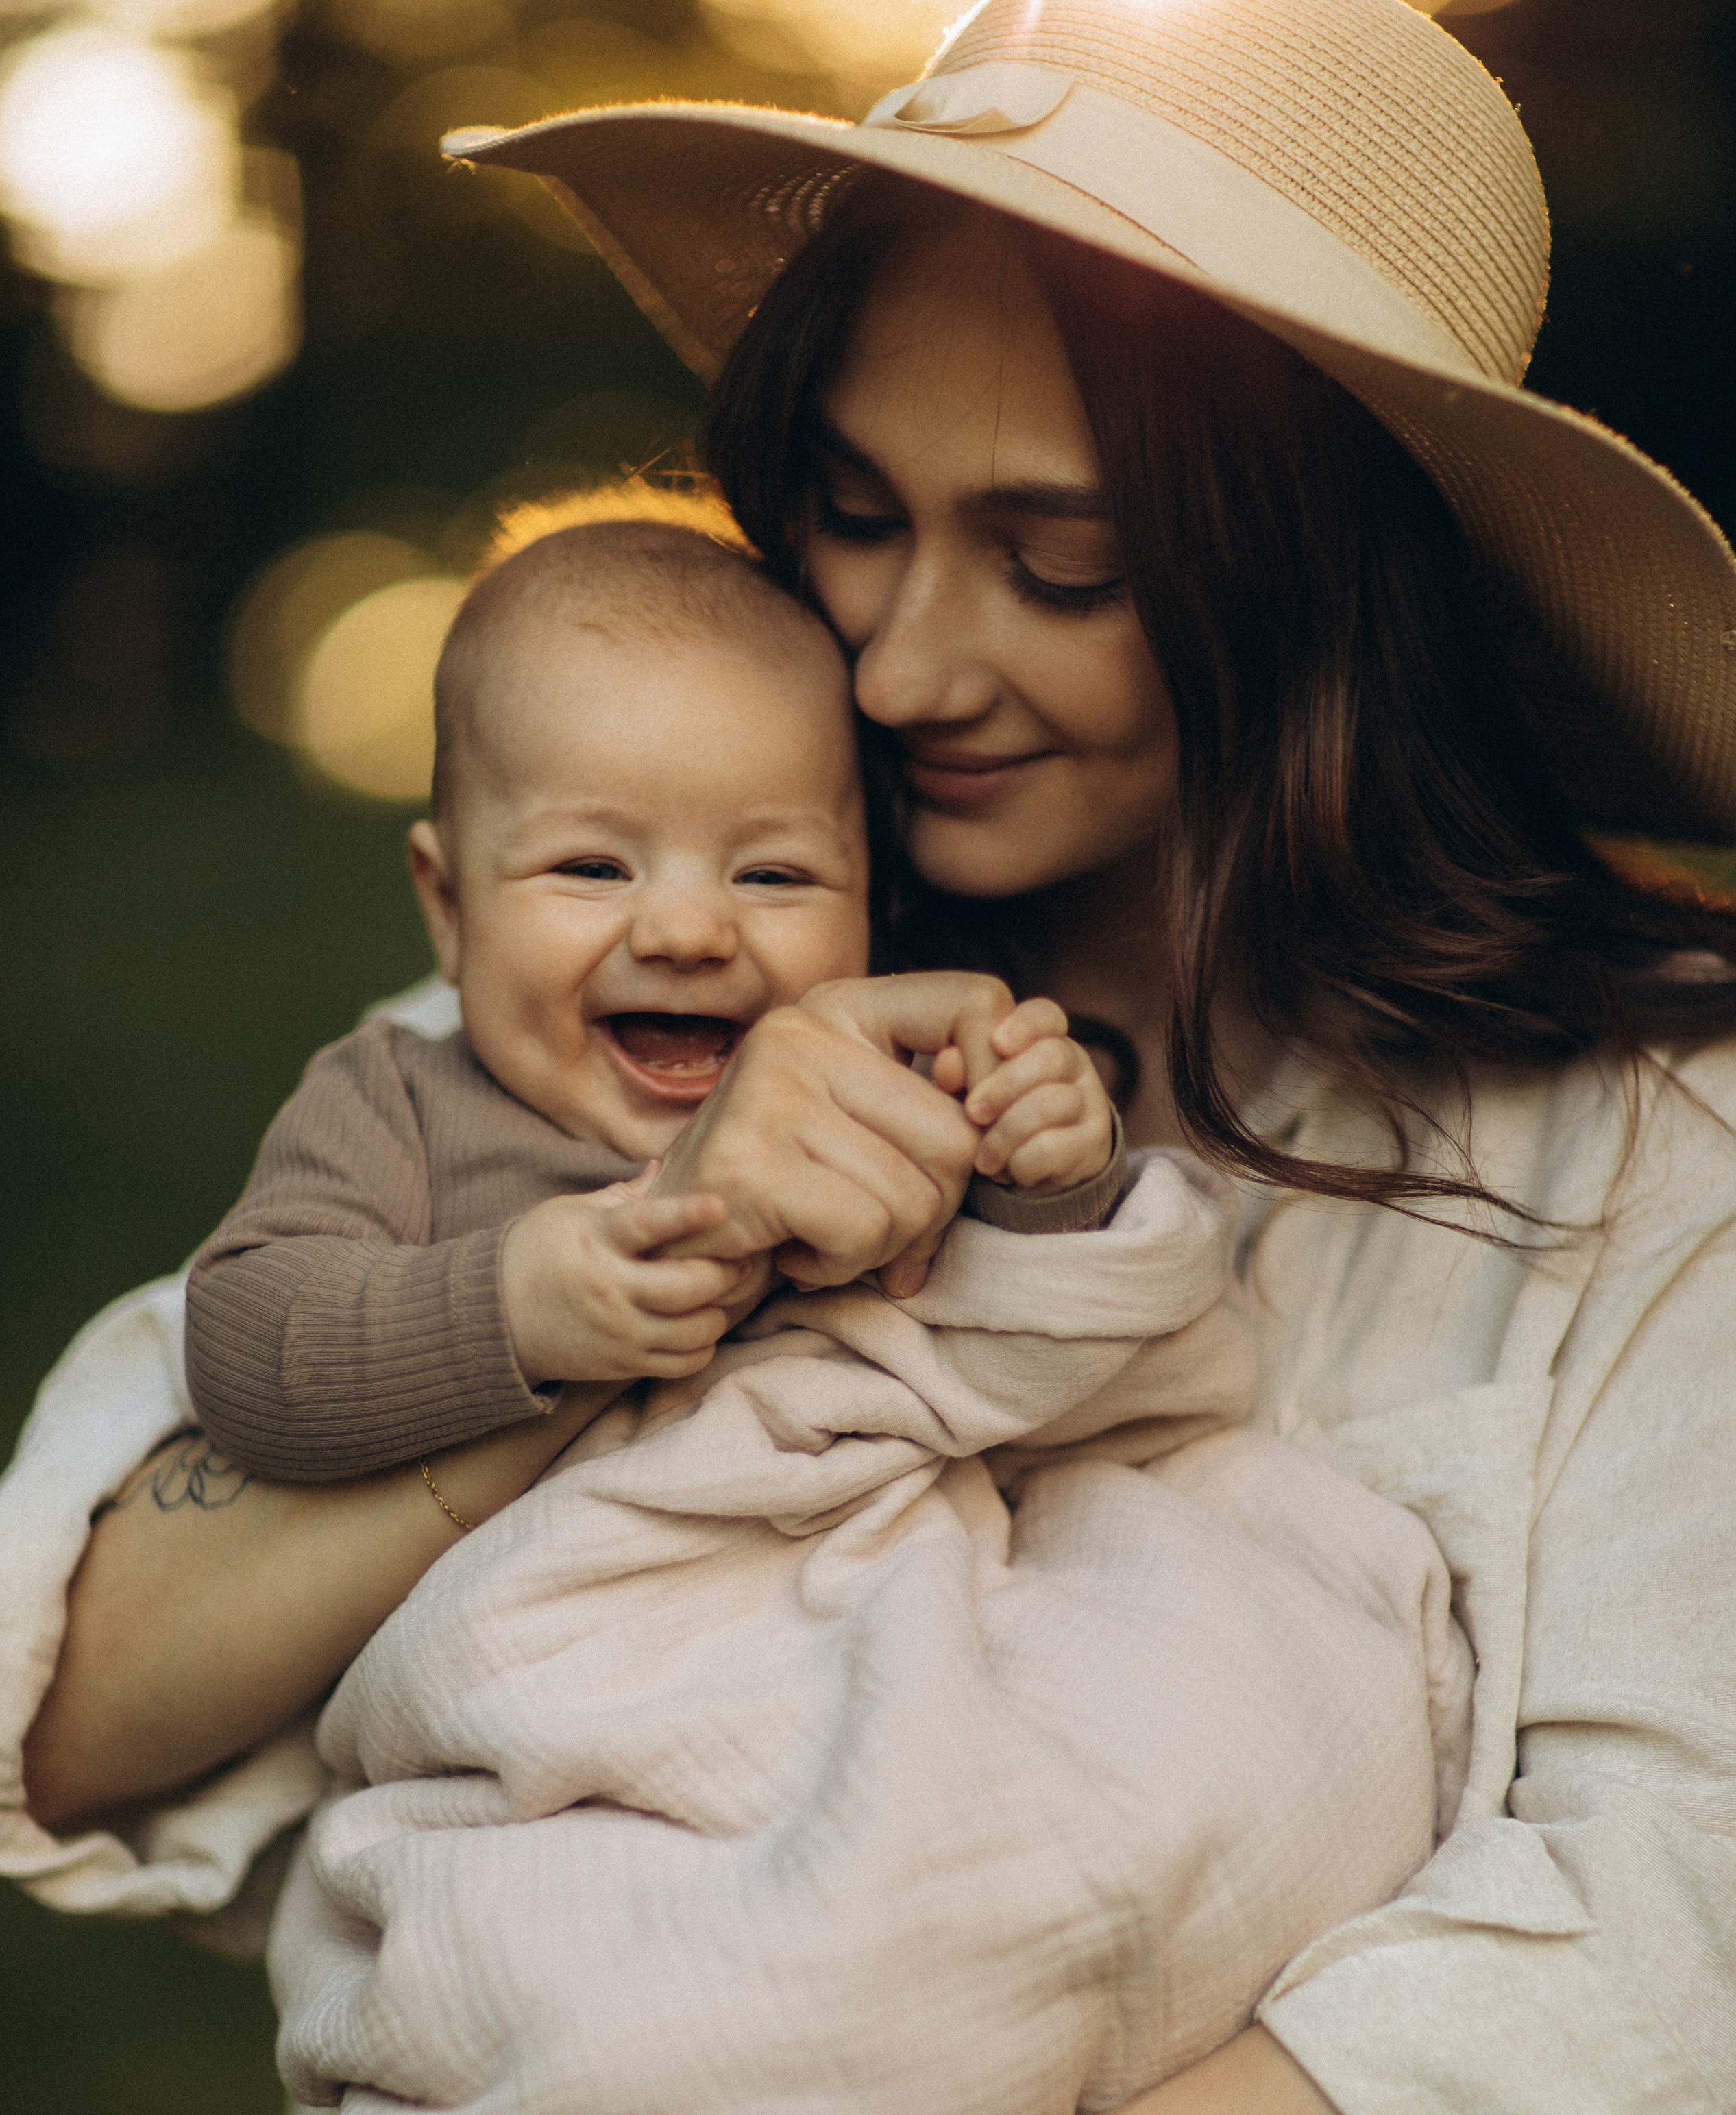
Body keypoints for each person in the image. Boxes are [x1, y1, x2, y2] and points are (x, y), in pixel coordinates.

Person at [10, 0, 1736, 2115]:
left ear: (1321, 579)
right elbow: (82, 1686)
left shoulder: (1658, 1156)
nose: (914, 667)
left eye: (1062, 567)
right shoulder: (604, 1012)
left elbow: (1673, 1956)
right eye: (851, 518)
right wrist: (626, 1288)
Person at [182, 494, 1121, 1484]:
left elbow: (1041, 1342)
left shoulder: (892, 1089)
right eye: (594, 868)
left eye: (773, 875)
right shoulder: (400, 1105)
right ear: (449, 908)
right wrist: (516, 1306)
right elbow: (244, 1353)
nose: (687, 933)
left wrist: (1045, 1170)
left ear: (871, 903)